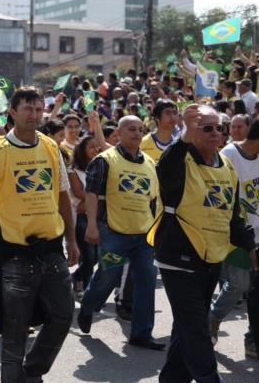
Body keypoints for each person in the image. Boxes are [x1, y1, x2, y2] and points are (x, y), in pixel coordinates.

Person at [0, 86, 79, 383]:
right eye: (28, 109)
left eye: (38, 109)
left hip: (51, 249)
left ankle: (30, 373)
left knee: (61, 316)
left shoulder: (49, 145)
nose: (34, 114)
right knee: (15, 333)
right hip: (14, 255)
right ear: (13, 113)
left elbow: (62, 194)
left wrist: (71, 238)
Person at [152, 105, 257, 382]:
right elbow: (166, 167)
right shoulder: (180, 161)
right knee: (197, 329)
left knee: (186, 329)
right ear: (191, 132)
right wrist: (184, 134)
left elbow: (233, 218)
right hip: (178, 260)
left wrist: (252, 247)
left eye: (219, 128)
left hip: (211, 260)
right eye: (206, 127)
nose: (215, 133)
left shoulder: (228, 169)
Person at [77, 115, 164, 351]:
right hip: (112, 232)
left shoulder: (149, 164)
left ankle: (141, 334)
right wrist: (93, 225)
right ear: (119, 133)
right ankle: (88, 306)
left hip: (144, 235)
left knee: (145, 280)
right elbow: (92, 193)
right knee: (109, 276)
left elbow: (154, 199)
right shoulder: (104, 160)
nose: (136, 133)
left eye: (140, 129)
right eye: (131, 129)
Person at [210, 117, 259, 358]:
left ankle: (252, 339)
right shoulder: (230, 155)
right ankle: (213, 317)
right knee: (240, 284)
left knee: (257, 290)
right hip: (236, 234)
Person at [70, 134, 100, 296]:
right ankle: (82, 282)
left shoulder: (100, 167)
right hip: (81, 218)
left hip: (97, 216)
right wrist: (96, 197)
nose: (95, 150)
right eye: (91, 147)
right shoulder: (74, 171)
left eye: (97, 147)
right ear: (82, 150)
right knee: (89, 256)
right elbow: (80, 193)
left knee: (95, 257)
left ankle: (78, 279)